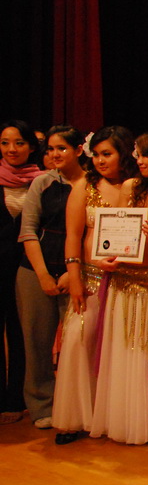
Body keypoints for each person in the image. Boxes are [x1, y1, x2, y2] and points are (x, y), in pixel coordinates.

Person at [89, 130, 148, 445]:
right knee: (122, 347)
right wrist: (106, 255)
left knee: (147, 348)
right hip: (124, 277)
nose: (138, 160)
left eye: (144, 154)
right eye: (136, 155)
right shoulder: (131, 187)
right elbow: (119, 230)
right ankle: (122, 420)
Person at [54, 126, 138, 444]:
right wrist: (75, 278)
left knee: (117, 348)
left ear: (124, 155)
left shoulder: (138, 187)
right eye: (97, 154)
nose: (101, 161)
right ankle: (74, 419)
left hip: (127, 280)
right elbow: (73, 237)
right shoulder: (84, 186)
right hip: (90, 278)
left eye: (108, 154)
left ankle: (109, 416)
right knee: (78, 340)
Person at [16, 126, 86, 430]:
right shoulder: (42, 183)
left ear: (79, 151)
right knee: (37, 342)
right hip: (35, 271)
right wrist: (43, 275)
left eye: (62, 148)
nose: (54, 155)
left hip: (77, 273)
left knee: (77, 343)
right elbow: (28, 230)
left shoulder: (92, 184)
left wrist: (74, 274)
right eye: (50, 149)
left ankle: (75, 405)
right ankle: (41, 404)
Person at [0, 121, 42, 424]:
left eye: (18, 143)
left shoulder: (45, 181)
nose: (11, 149)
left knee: (21, 332)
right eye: (4, 143)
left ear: (31, 146)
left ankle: (15, 398)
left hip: (27, 268)